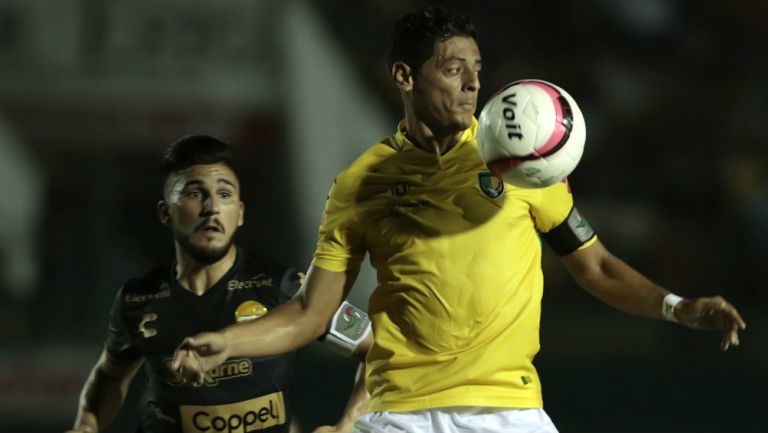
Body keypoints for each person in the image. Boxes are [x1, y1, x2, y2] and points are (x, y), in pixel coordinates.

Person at [171, 7, 746, 433]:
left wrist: (678, 306)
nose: (472, 83)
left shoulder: (525, 161)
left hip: (510, 412)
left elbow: (594, 266)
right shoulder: (359, 185)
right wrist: (228, 341)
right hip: (400, 416)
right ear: (404, 77)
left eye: (477, 68)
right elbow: (310, 314)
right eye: (452, 70)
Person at [68, 135, 371, 433]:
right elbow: (110, 376)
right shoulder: (138, 301)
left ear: (239, 214)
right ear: (165, 213)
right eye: (196, 193)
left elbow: (379, 348)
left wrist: (347, 426)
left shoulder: (285, 288)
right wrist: (86, 424)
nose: (212, 207)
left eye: (224, 194)